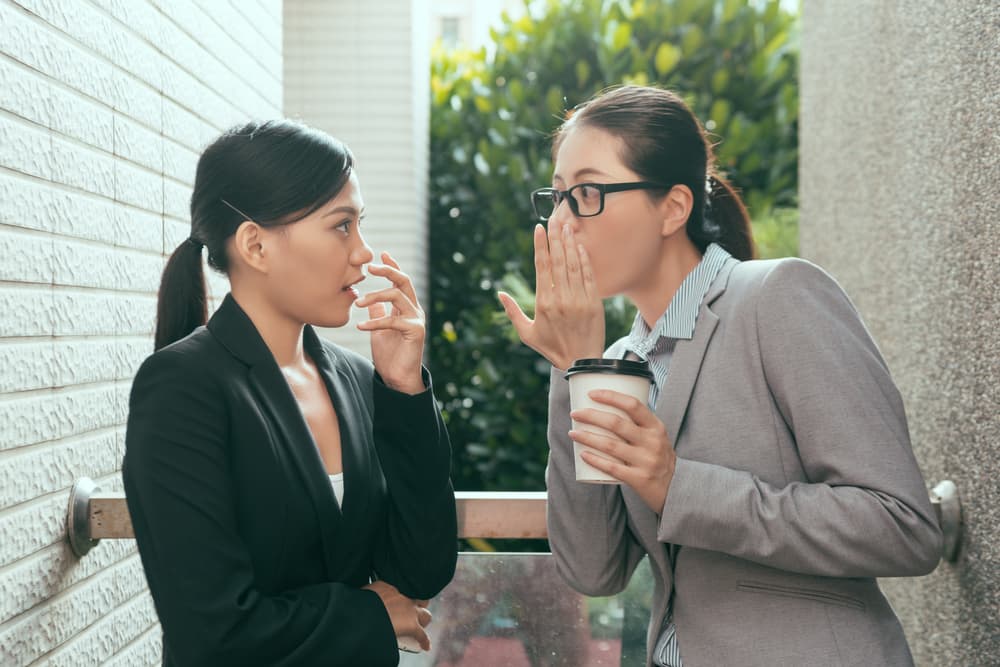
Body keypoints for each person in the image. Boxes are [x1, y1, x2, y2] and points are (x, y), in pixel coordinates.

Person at [499, 85, 942, 667]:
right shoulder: (619, 361)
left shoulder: (777, 298)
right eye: (555, 197)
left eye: (585, 193)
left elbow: (903, 525)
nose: (562, 222)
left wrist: (678, 485)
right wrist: (576, 368)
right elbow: (594, 568)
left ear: (673, 207)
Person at [123, 120, 458, 666]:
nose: (364, 253)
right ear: (255, 244)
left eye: (359, 225)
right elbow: (214, 630)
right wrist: (367, 615)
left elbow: (421, 571)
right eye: (341, 226)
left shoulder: (357, 380)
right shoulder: (181, 388)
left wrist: (404, 390)